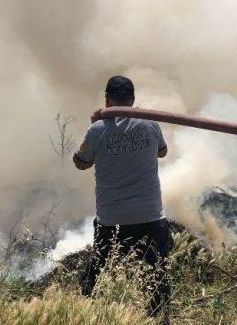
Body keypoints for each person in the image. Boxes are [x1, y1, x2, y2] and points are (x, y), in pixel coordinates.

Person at [73, 75, 171, 320]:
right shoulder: (150, 123)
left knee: (96, 275)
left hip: (112, 220)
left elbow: (80, 163)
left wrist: (95, 125)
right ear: (133, 99)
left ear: (107, 98)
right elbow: (163, 152)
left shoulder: (97, 129)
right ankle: (158, 318)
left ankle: (91, 315)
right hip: (150, 216)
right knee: (156, 275)